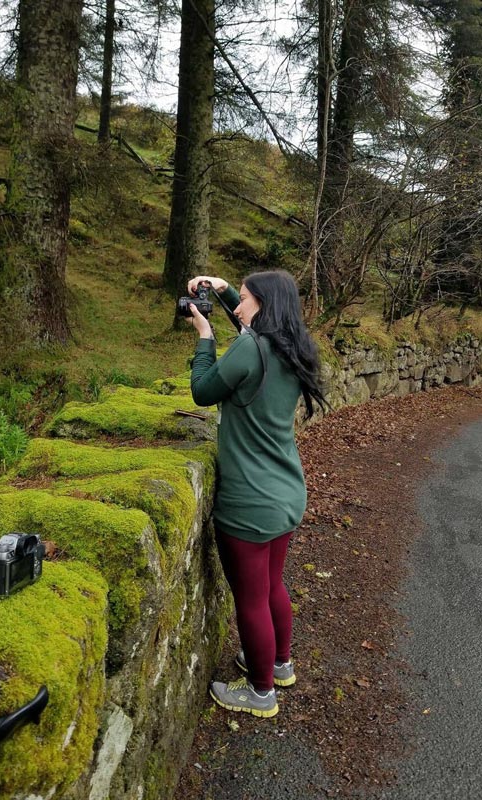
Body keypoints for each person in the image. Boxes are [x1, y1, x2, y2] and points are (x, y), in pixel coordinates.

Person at [186, 270, 326, 718]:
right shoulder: (294, 348)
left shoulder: (250, 348)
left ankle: (261, 691)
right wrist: (223, 288)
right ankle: (280, 664)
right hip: (287, 492)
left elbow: (203, 392)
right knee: (271, 586)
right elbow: (249, 331)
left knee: (250, 599)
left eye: (244, 299)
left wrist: (205, 337)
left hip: (250, 501)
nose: (239, 307)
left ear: (263, 304)